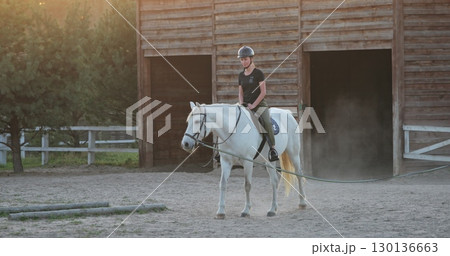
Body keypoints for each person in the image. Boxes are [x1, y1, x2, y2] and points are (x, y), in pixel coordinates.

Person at [237, 46, 278, 161]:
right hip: (245, 105)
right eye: (241, 59)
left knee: (266, 122)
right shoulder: (240, 75)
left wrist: (253, 105)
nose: (243, 62)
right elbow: (240, 92)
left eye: (245, 59)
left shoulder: (258, 73)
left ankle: (273, 149)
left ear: (251, 59)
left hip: (259, 105)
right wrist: (241, 104)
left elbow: (263, 92)